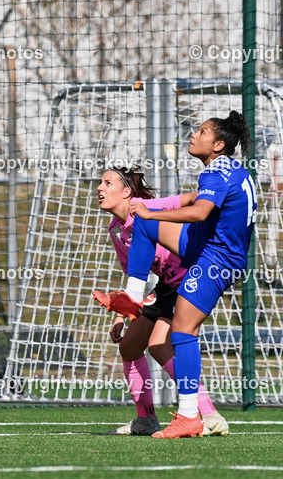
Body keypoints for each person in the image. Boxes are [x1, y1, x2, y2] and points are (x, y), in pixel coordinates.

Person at [94, 111, 255, 438]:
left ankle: (197, 414)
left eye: (202, 131)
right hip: (196, 252)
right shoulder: (118, 229)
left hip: (208, 259)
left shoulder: (215, 174)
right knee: (135, 346)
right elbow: (134, 267)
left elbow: (197, 208)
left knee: (178, 332)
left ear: (219, 144)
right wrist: (124, 311)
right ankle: (164, 417)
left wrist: (153, 210)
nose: (193, 135)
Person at [95, 166, 228, 436]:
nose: (99, 188)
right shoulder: (115, 230)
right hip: (167, 284)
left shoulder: (147, 206)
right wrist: (120, 315)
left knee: (158, 345)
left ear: (127, 192)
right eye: (100, 182)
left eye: (107, 183)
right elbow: (135, 277)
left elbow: (191, 200)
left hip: (192, 276)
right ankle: (146, 419)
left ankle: (209, 413)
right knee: (130, 347)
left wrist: (219, 204)